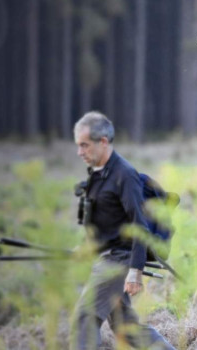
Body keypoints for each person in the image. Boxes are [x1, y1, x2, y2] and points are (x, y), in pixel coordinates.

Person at [73, 111, 175, 349]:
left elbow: (138, 225)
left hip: (118, 262)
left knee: (84, 319)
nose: (80, 152)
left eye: (85, 145)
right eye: (78, 146)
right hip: (107, 257)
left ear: (103, 142)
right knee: (125, 327)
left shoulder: (124, 175)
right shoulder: (99, 175)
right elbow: (108, 223)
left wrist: (135, 270)